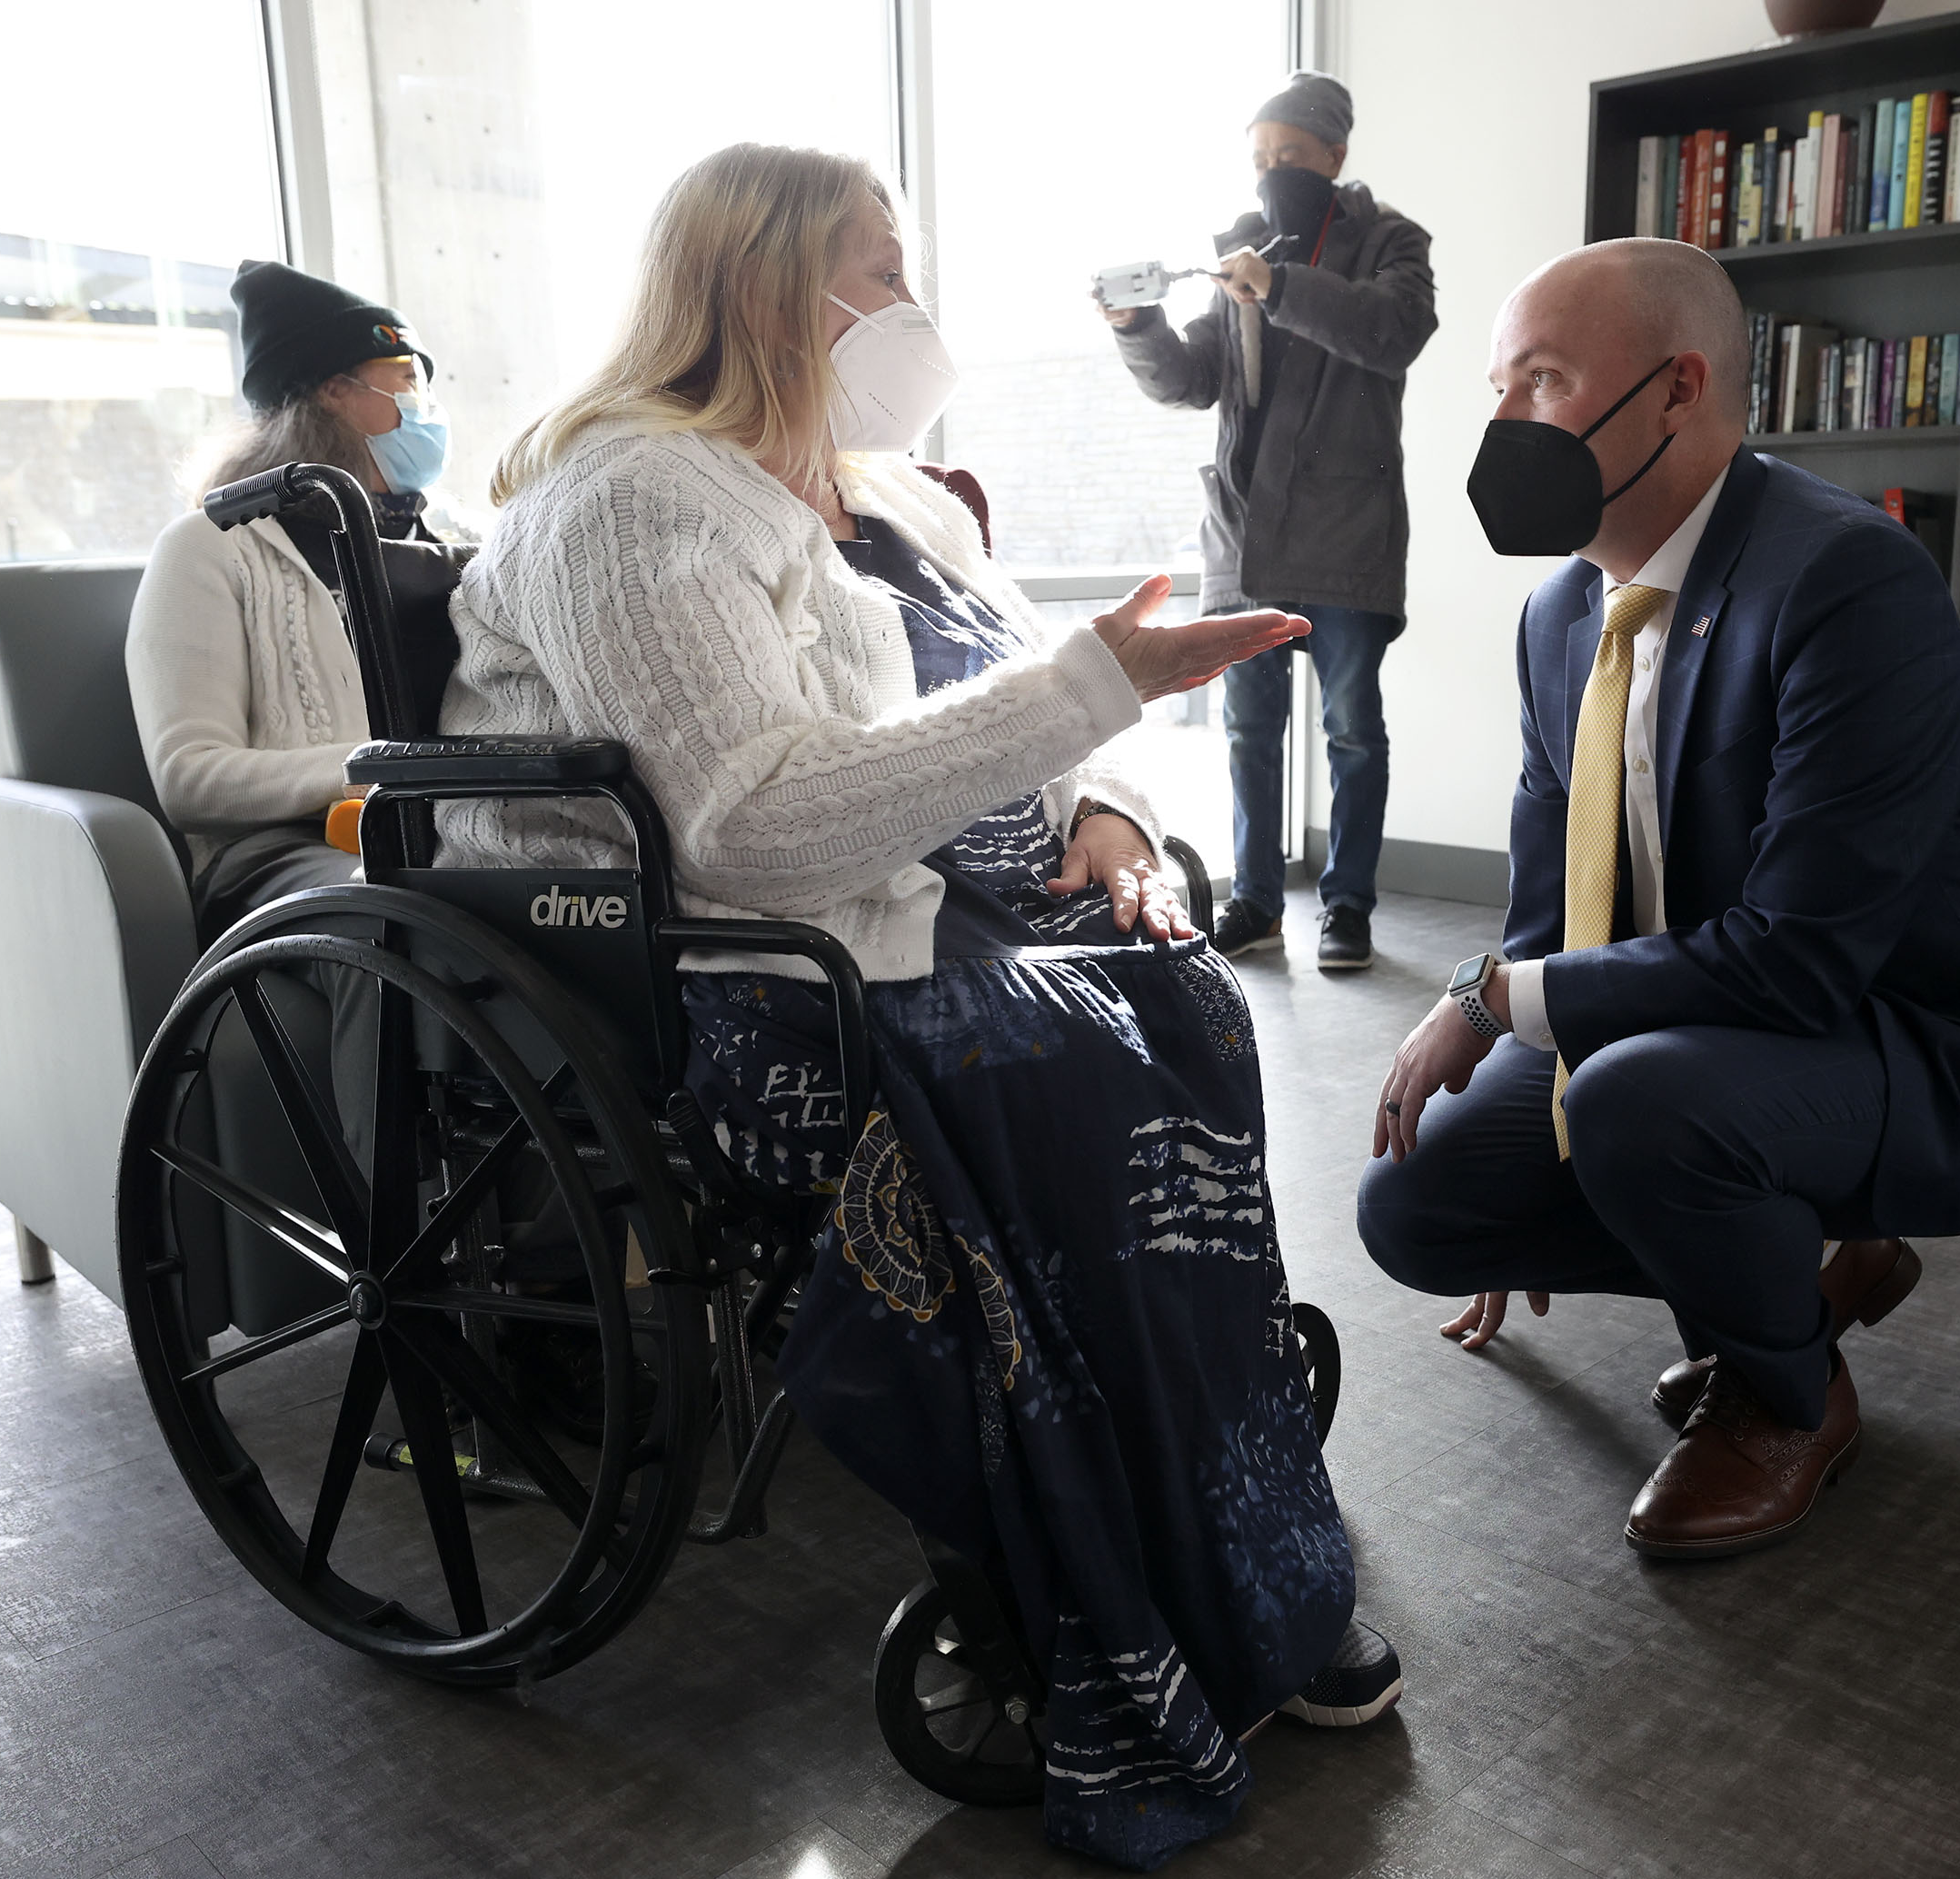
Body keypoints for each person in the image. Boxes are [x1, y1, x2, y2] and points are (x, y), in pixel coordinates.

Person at [435, 144, 1401, 1870]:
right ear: (765, 287)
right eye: (878, 271)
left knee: (1183, 1001)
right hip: (742, 965)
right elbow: (751, 823)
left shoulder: (889, 492)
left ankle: (1200, 1470)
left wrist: (1113, 803)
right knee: (1070, 1067)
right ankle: (1152, 1552)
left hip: (948, 907)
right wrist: (1089, 689)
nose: (911, 305)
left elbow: (1042, 693)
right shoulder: (630, 500)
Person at [1356, 238, 1960, 1561]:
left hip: (1914, 1036)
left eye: (1541, 380)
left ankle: (1787, 1393)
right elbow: (1554, 910)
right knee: (1420, 1197)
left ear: (1675, 390)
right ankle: (1810, 1260)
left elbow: (1801, 961)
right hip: (1721, 1025)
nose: (1504, 425)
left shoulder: (1845, 578)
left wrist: (1491, 1003)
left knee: (1631, 1103)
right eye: (1498, 388)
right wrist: (1503, 1066)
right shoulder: (1557, 619)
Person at [1101, 70, 1438, 971]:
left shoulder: (1391, 242)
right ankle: (1252, 902)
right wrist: (1138, 328)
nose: (1273, 171)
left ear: (1335, 154)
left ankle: (1348, 911)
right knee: (1249, 732)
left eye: (1290, 154)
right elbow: (1193, 380)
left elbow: (1393, 331)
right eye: (1260, 157)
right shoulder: (1238, 250)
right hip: (1245, 541)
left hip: (1348, 536)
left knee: (1353, 732)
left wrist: (1280, 287)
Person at [126, 259, 457, 940]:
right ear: (336, 390)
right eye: (408, 383)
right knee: (403, 913)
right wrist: (390, 770)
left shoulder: (447, 547)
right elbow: (190, 779)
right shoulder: (212, 549)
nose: (427, 409)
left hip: (446, 831)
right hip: (286, 856)